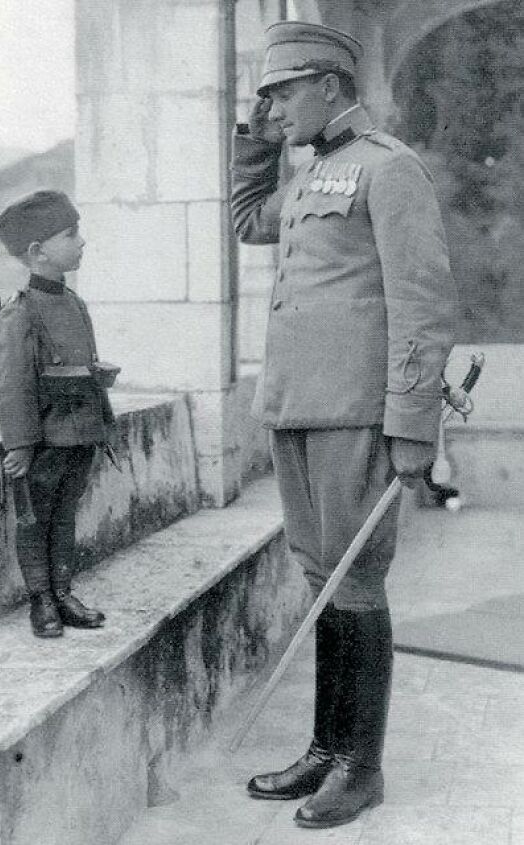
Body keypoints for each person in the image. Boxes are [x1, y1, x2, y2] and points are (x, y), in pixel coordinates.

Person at [231, 22, 457, 828]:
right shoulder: (312, 173)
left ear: (330, 84)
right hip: (295, 407)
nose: (273, 107)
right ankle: (326, 750)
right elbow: (249, 220)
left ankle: (362, 765)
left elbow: (422, 308)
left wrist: (411, 425)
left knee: (355, 580)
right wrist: (250, 141)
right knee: (320, 573)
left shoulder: (388, 170)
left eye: (282, 92)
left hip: (357, 415)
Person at [0, 190, 115, 638]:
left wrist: (101, 422)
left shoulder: (75, 304)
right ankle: (41, 600)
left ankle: (63, 593)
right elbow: (12, 385)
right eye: (71, 234)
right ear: (37, 251)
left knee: (64, 518)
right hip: (44, 440)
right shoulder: (18, 314)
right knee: (36, 521)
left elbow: (85, 363)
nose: (81, 242)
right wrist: (21, 446)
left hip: (80, 434)